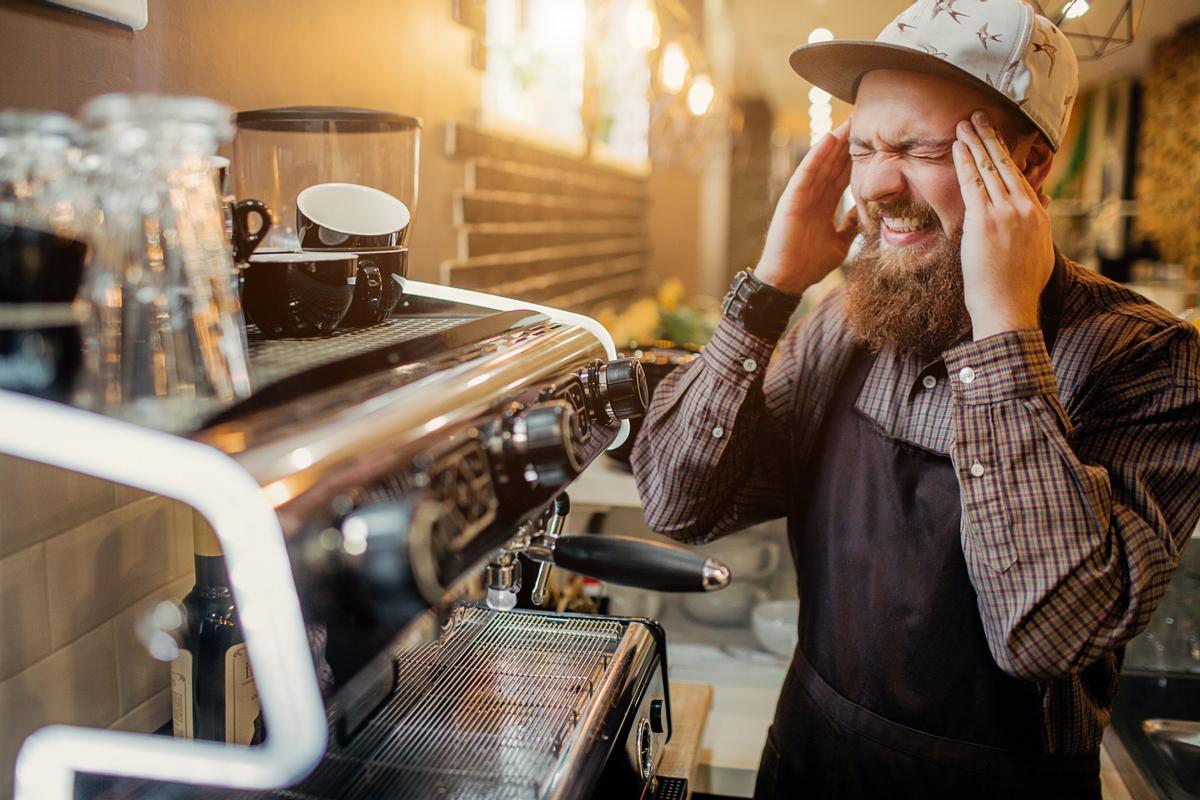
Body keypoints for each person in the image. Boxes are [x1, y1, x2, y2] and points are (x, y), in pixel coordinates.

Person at [630, 0, 1200, 797]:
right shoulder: (844, 323)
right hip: (807, 763)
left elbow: (1047, 631)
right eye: (862, 148)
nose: (876, 184)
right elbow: (678, 503)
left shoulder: (1146, 359)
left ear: (1030, 166)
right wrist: (769, 289)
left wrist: (1003, 327)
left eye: (917, 148)